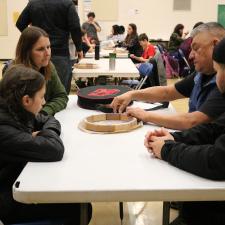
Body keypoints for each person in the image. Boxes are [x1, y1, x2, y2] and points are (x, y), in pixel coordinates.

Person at [144, 36, 225, 225]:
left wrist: (167, 149)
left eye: (219, 69)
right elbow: (214, 129)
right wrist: (174, 137)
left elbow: (216, 160)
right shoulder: (199, 76)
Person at [0, 65, 91, 225]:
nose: (44, 102)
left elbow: (49, 120)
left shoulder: (16, 108)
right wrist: (39, 136)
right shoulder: (4, 127)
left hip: (20, 178)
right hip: (11, 202)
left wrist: (39, 134)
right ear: (26, 100)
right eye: (41, 97)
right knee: (80, 209)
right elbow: (54, 149)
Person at [111, 22, 225, 130]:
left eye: (196, 48)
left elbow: (193, 121)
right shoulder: (202, 74)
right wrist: (132, 94)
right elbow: (167, 92)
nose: (190, 56)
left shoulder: (222, 83)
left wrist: (146, 116)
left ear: (216, 45)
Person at [16, 0, 83, 94]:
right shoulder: (67, 3)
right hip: (61, 54)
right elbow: (75, 27)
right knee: (61, 92)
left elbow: (20, 23)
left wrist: (33, 38)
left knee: (36, 92)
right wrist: (79, 48)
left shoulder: (33, 3)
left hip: (37, 56)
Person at [10, 26, 68, 116]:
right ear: (27, 52)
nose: (47, 53)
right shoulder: (14, 75)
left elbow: (61, 96)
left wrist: (44, 112)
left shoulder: (49, 67)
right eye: (40, 49)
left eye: (48, 47)